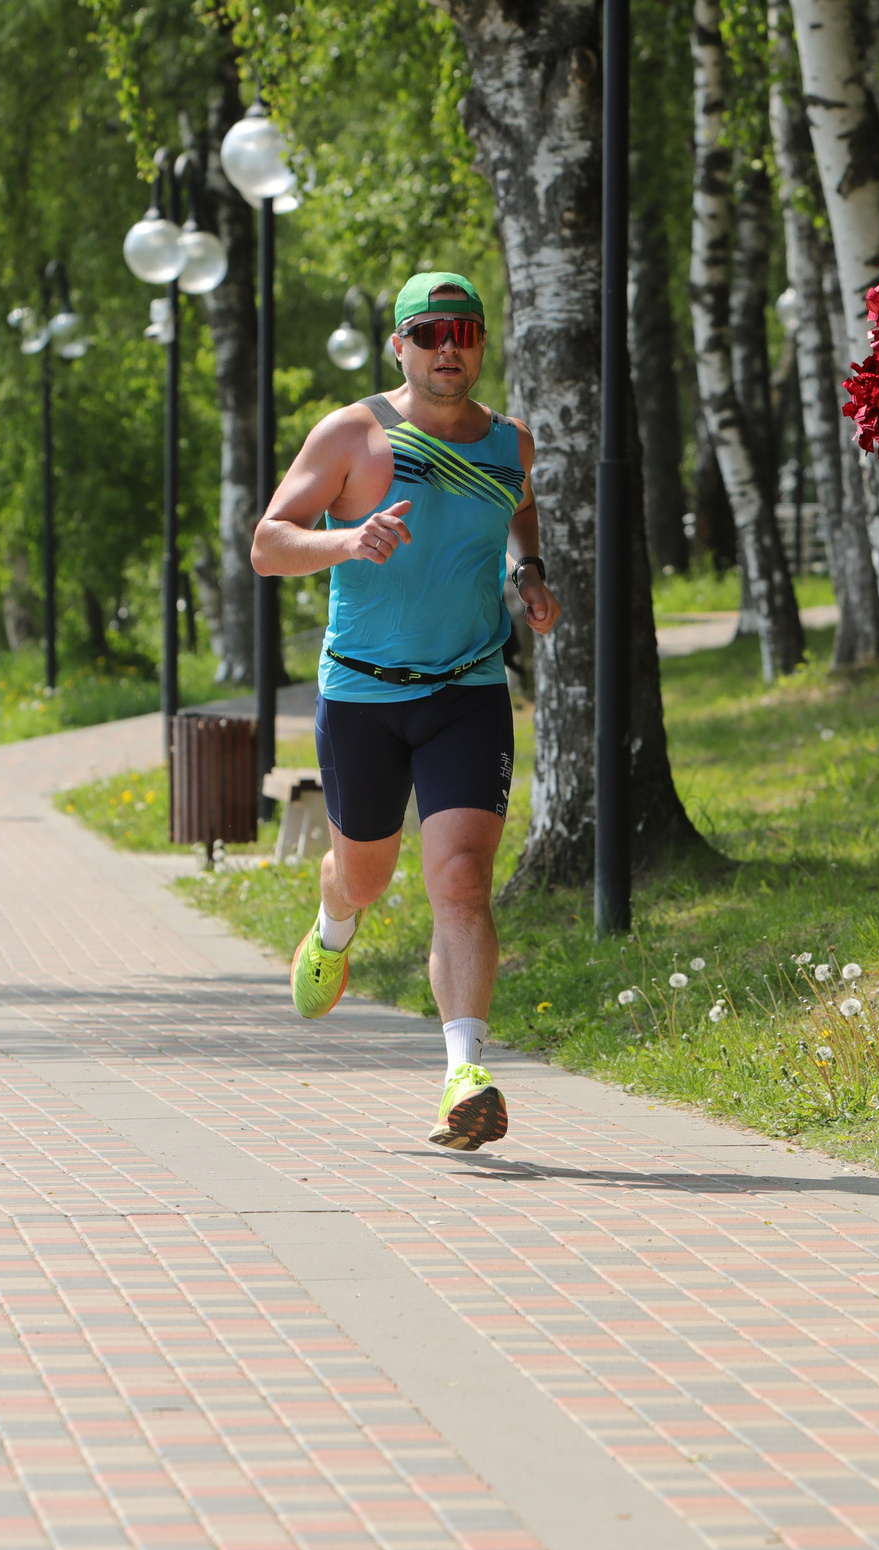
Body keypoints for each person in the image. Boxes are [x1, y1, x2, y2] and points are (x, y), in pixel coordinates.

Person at [251, 273, 559, 1151]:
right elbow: (269, 542)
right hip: (362, 691)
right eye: (428, 332)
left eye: (463, 329)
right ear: (400, 346)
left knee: (460, 880)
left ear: (481, 340)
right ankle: (332, 922)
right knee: (367, 876)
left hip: (466, 687)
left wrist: (527, 576)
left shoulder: (510, 443)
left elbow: (520, 509)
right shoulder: (354, 433)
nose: (447, 346)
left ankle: (465, 1073)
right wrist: (346, 539)